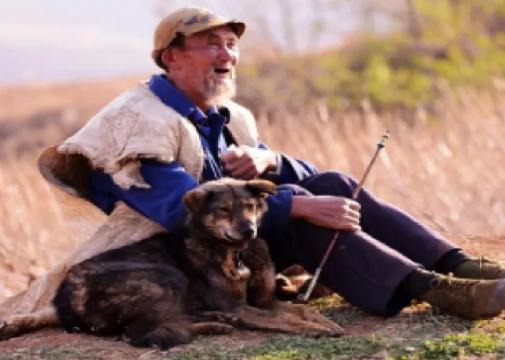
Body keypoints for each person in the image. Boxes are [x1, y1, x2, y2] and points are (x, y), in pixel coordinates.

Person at [2, 6, 504, 325]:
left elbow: (296, 181)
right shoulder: (137, 123)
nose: (228, 55)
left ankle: (455, 263)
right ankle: (436, 291)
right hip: (167, 257)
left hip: (229, 242)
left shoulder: (227, 114)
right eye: (212, 45)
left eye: (233, 44)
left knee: (331, 183)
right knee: (303, 214)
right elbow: (183, 212)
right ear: (171, 57)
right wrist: (299, 207)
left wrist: (272, 159)